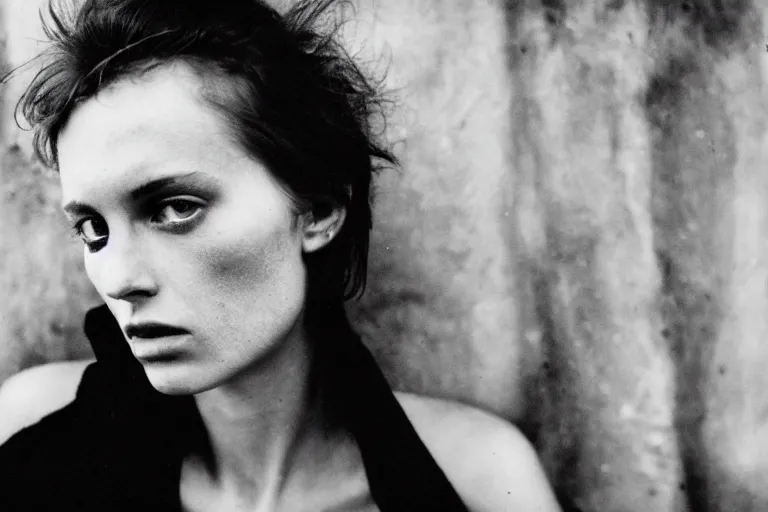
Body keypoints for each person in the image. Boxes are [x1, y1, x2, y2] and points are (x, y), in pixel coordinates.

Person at [0, 0, 562, 510]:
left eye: (176, 208)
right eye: (93, 228)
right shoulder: (32, 429)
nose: (118, 278)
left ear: (316, 211)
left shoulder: (475, 478)